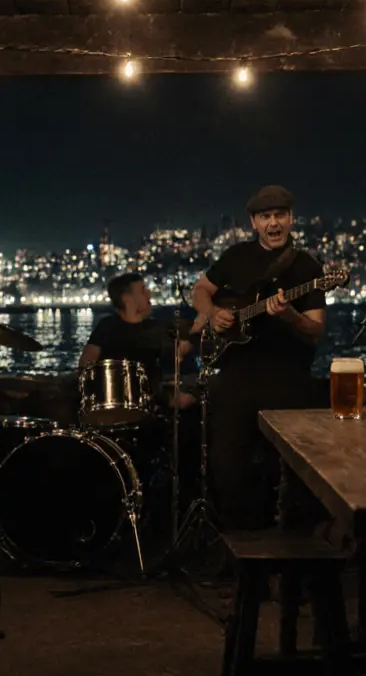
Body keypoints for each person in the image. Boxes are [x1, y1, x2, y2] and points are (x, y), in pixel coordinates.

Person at [191, 185, 326, 531]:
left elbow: (315, 329)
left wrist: (289, 316)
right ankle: (239, 550)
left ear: (291, 219)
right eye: (266, 217)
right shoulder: (236, 257)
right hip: (236, 374)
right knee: (227, 466)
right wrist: (212, 313)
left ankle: (292, 550)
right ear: (253, 222)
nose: (274, 223)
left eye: (280, 215)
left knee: (291, 471)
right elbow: (200, 289)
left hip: (288, 378)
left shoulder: (307, 265)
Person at [79, 272, 194, 409]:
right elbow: (86, 363)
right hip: (113, 402)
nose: (149, 295)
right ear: (128, 299)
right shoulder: (107, 326)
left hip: (150, 401)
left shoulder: (157, 327)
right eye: (142, 291)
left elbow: (177, 354)